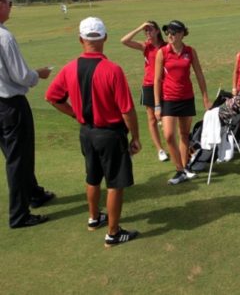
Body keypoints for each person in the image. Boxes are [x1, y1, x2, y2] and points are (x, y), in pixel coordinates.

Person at [45, 17, 140, 247]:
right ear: (105, 38)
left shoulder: (69, 68)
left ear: (81, 39)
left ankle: (94, 218)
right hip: (110, 134)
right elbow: (126, 110)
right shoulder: (113, 70)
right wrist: (135, 136)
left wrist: (75, 114)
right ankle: (113, 233)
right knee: (115, 184)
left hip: (86, 133)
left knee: (93, 177)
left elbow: (52, 97)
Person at [0, 0, 54, 228]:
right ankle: (19, 215)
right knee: (18, 158)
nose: (11, 6)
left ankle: (34, 193)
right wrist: (38, 75)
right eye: (9, 2)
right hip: (10, 105)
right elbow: (21, 76)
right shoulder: (4, 37)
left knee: (15, 155)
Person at [154, 20, 211, 185]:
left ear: (181, 34)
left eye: (172, 33)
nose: (169, 36)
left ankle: (185, 168)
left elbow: (199, 74)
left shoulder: (190, 51)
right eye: (167, 33)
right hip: (169, 99)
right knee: (169, 135)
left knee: (184, 135)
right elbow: (157, 80)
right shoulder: (162, 52)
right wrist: (157, 105)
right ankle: (180, 169)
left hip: (187, 98)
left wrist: (205, 98)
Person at [121, 21, 169, 162]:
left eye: (150, 30)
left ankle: (172, 144)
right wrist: (140, 27)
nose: (147, 33)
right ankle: (160, 149)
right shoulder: (145, 46)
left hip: (165, 85)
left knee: (168, 117)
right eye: (145, 31)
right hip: (149, 85)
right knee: (152, 118)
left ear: (157, 31)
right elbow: (124, 40)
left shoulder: (166, 46)